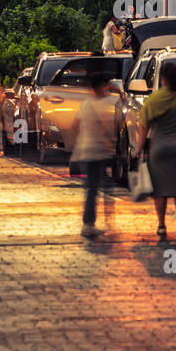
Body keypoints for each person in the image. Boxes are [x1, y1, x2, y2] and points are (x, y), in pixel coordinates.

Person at [134, 59, 176, 239]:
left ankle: (161, 225)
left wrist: (137, 149)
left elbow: (144, 128)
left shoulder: (153, 100)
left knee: (160, 190)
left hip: (159, 148)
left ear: (162, 79)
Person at [71, 71, 116, 237]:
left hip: (87, 150)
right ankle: (89, 224)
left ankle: (94, 222)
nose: (107, 89)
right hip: (98, 152)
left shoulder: (87, 104)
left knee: (93, 187)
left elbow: (75, 125)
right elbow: (108, 129)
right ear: (100, 87)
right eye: (105, 85)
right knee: (94, 188)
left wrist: (83, 138)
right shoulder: (101, 105)